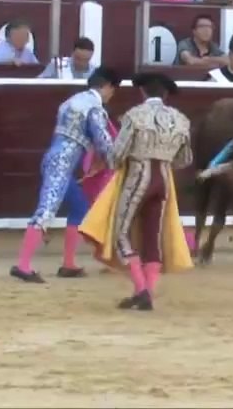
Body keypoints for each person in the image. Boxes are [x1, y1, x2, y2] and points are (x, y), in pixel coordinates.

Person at [80, 72, 193, 311]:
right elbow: (184, 159)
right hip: (162, 181)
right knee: (153, 238)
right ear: (165, 94)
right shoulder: (180, 119)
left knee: (120, 234)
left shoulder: (135, 115)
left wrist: (108, 161)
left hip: (137, 178)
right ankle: (146, 293)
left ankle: (142, 289)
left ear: (143, 92)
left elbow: (116, 156)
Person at [11, 68, 122, 284]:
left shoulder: (71, 101)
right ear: (107, 86)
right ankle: (23, 266)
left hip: (55, 160)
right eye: (112, 90)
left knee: (79, 207)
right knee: (46, 210)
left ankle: (69, 264)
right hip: (62, 164)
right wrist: (116, 162)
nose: (111, 96)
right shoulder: (94, 108)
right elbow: (103, 142)